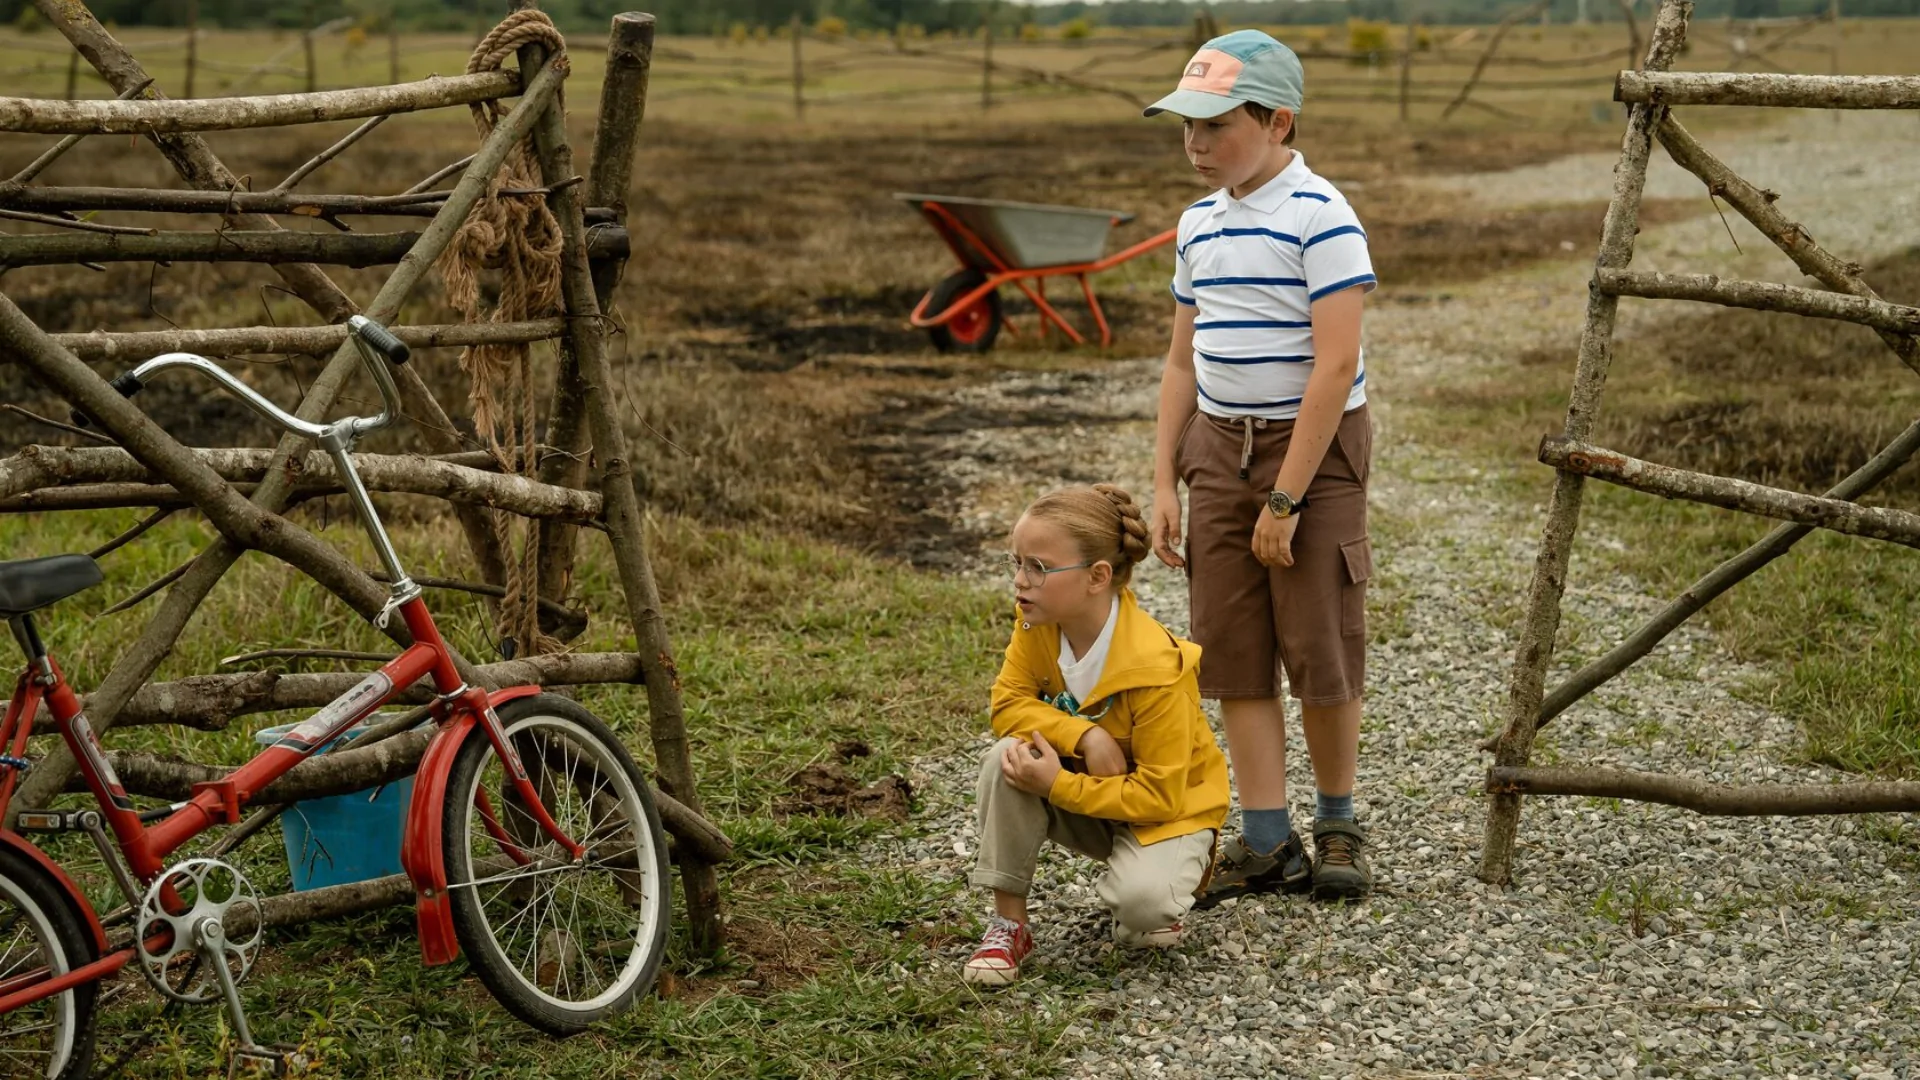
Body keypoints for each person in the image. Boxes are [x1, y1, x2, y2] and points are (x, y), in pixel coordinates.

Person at [1144, 29, 1377, 906]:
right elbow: (1179, 362)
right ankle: (1268, 842)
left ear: (1278, 122)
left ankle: (1340, 821)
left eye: (1215, 125)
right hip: (1217, 446)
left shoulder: (1322, 215)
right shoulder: (1197, 225)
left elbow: (1334, 365)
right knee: (1234, 648)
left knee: (1318, 640)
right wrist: (1168, 479)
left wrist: (1285, 497)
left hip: (1309, 453)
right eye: (1186, 128)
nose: (1196, 146)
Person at [963, 484, 1230, 986]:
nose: (1020, 581)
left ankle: (1158, 891)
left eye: (1037, 568)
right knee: (1007, 757)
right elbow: (1007, 705)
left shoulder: (1157, 667)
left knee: (1143, 908)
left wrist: (1058, 786)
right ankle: (1008, 925)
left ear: (1097, 576)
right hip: (1098, 792)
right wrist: (1084, 736)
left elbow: (1160, 795)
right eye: (1016, 563)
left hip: (1167, 814)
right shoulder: (1036, 625)